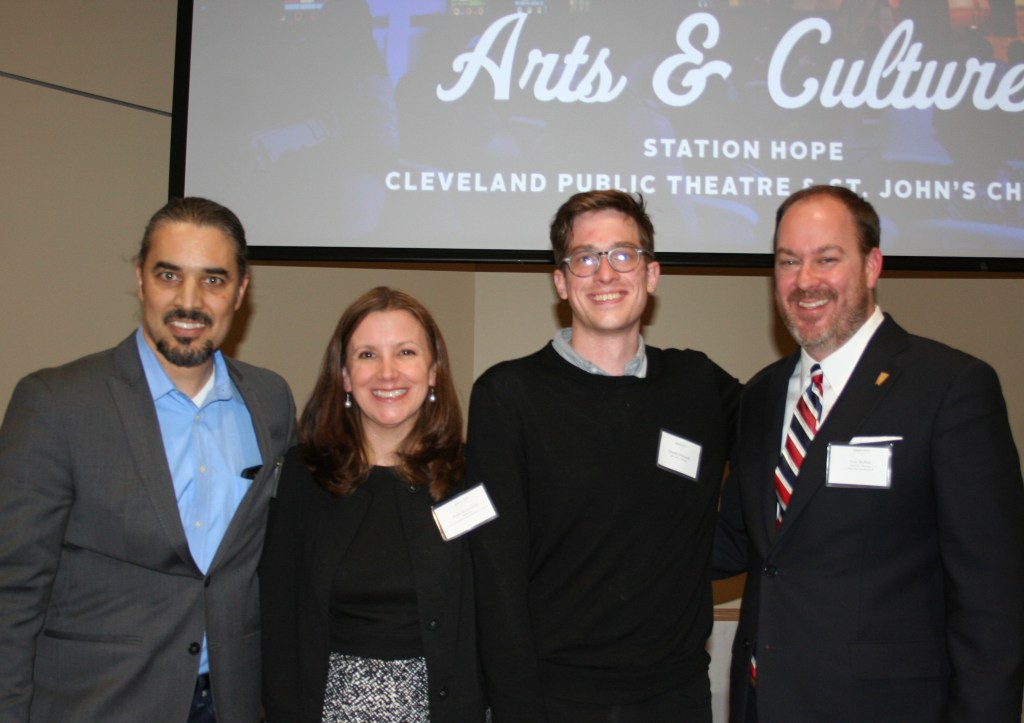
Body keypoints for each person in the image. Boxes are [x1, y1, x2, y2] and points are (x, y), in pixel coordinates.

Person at [714, 184, 1024, 722]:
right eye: (788, 261)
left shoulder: (949, 388)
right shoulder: (762, 395)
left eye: (826, 259)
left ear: (872, 265)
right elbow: (741, 542)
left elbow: (992, 597)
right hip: (763, 705)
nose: (805, 281)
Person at [0, 197, 296, 722]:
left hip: (229, 702)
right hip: (99, 703)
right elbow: (12, 591)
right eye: (168, 275)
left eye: (213, 280)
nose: (189, 301)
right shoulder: (56, 403)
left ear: (241, 292)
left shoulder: (271, 402)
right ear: (140, 279)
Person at [466, 190, 741, 722]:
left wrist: (706, 552)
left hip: (676, 697)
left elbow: (780, 449)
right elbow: (494, 574)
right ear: (561, 281)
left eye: (623, 254)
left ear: (652, 273)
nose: (605, 273)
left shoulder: (698, 384)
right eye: (584, 258)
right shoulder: (509, 394)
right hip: (554, 699)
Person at [259, 286, 485, 722]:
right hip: (328, 709)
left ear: (433, 370)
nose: (387, 373)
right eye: (367, 355)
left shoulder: (471, 476)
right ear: (344, 376)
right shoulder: (303, 477)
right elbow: (278, 614)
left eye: (405, 352)